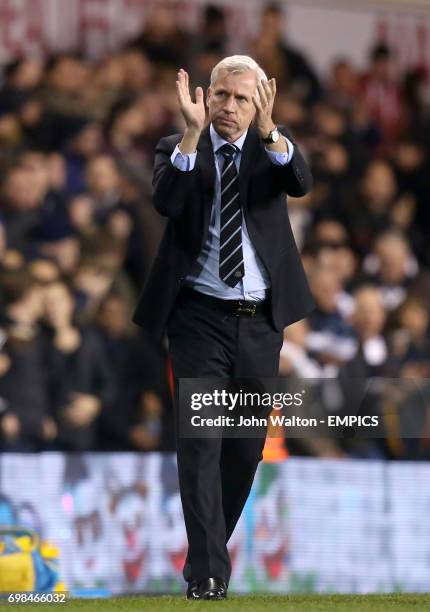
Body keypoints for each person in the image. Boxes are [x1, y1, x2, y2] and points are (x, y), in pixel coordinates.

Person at [132, 55, 314, 600]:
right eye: (221, 97)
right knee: (200, 443)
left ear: (260, 100)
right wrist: (190, 138)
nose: (229, 108)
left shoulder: (270, 148)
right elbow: (166, 200)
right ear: (205, 98)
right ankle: (209, 572)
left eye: (241, 97)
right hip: (197, 320)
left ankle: (207, 554)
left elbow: (299, 181)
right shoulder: (176, 147)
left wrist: (271, 131)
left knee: (244, 449)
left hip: (260, 323)